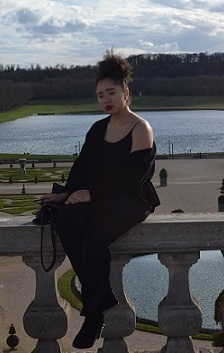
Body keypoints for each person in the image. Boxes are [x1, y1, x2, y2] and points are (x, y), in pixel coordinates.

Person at [41, 50, 160, 349]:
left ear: (126, 92)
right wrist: (66, 193)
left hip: (132, 198)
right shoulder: (97, 128)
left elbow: (133, 178)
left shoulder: (140, 128)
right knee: (67, 220)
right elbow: (82, 169)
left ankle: (94, 315)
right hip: (101, 197)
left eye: (111, 92)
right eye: (99, 95)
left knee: (93, 238)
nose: (105, 99)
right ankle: (103, 298)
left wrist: (91, 194)